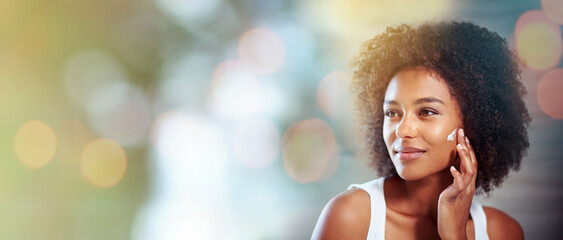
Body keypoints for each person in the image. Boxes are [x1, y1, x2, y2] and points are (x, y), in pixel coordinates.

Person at [311, 21, 530, 239]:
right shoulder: (350, 217)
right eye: (392, 113)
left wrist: (454, 235)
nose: (402, 130)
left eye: (426, 111)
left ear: (473, 122)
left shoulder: (502, 232)